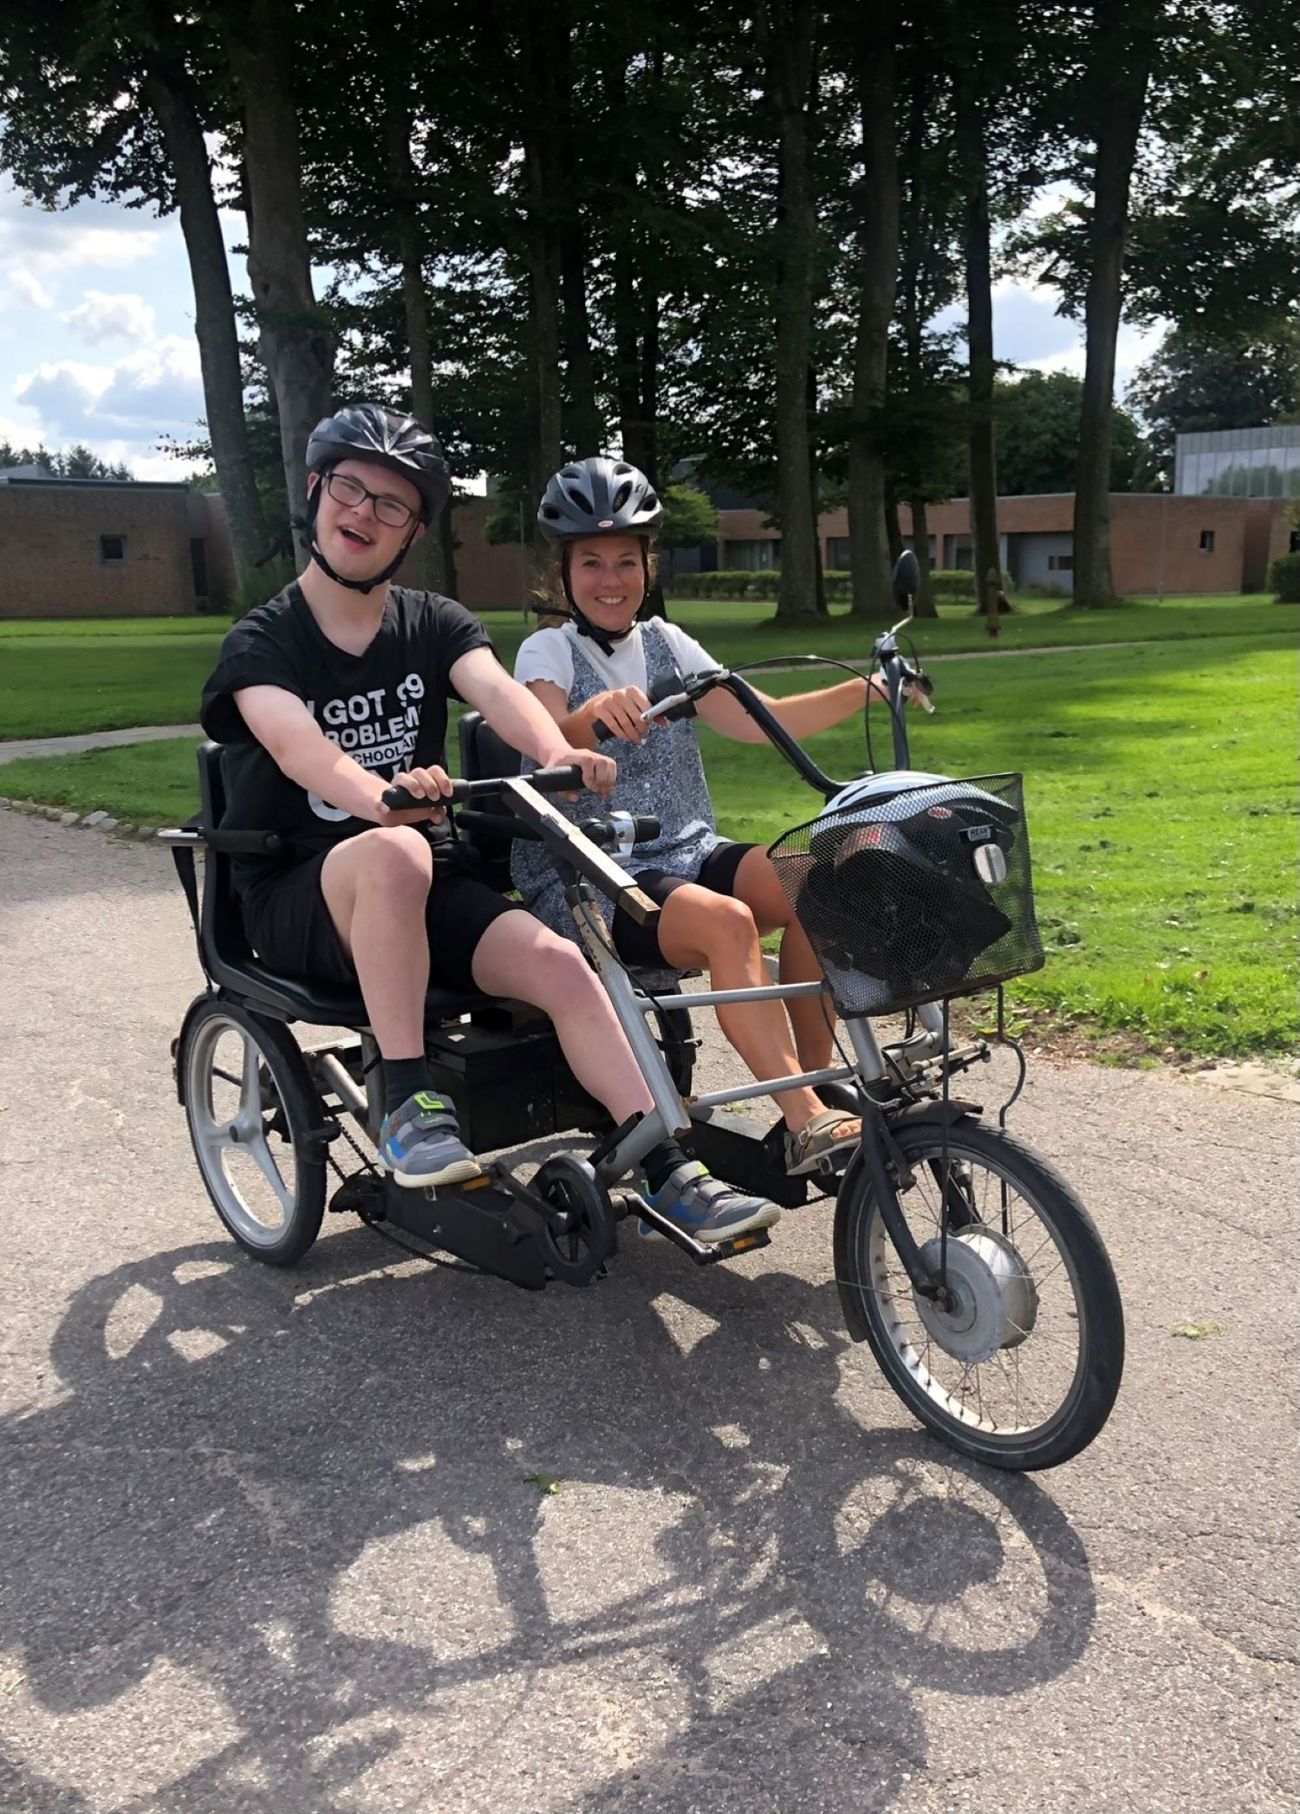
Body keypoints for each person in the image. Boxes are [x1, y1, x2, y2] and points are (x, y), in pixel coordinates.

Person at [200, 406, 777, 1241]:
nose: (364, 513)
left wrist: (560, 753)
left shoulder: (434, 622)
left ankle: (665, 1167)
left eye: (391, 505)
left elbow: (500, 695)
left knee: (562, 965)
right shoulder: (262, 640)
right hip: (304, 890)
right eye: (351, 490)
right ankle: (407, 1103)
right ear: (318, 492)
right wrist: (383, 796)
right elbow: (301, 753)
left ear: (412, 532)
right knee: (396, 850)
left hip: (428, 877)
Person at [515, 456, 910, 1176]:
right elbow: (545, 738)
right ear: (563, 572)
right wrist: (588, 717)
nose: (611, 580)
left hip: (687, 851)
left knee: (819, 878)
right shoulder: (548, 649)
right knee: (729, 923)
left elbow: (761, 720)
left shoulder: (667, 644)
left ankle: (816, 1087)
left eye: (626, 561)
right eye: (592, 563)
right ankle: (805, 1117)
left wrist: (868, 692)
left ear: (649, 565)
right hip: (594, 875)